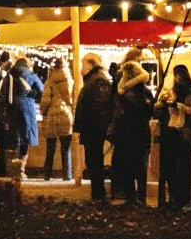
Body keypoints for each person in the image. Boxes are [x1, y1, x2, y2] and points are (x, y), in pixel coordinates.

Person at [109, 60, 155, 207]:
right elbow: (148, 111)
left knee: (126, 166)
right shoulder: (142, 91)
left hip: (125, 133)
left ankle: (131, 197)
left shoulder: (121, 92)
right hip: (140, 133)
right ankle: (140, 197)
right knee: (140, 166)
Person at [74, 52, 115, 205]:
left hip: (94, 128)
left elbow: (100, 107)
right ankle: (97, 193)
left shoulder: (97, 81)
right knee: (92, 161)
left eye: (83, 64)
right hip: (92, 127)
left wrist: (94, 126)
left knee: (94, 160)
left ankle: (99, 193)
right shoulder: (95, 80)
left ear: (90, 65)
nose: (81, 68)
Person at [157, 64, 191, 208]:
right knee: (173, 165)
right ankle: (175, 196)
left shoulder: (190, 90)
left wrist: (179, 106)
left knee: (181, 165)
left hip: (182, 130)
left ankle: (180, 197)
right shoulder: (176, 90)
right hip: (175, 129)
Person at [0, 57, 44, 180]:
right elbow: (41, 90)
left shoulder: (9, 76)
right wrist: (32, 95)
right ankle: (21, 170)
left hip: (11, 109)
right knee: (25, 138)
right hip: (27, 109)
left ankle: (12, 170)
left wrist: (3, 112)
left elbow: (2, 94)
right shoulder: (31, 75)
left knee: (13, 138)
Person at [40, 57, 74, 181]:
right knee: (66, 148)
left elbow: (45, 101)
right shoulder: (70, 80)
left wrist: (43, 111)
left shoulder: (50, 81)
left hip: (52, 116)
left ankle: (47, 175)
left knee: (50, 148)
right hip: (66, 115)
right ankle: (67, 175)